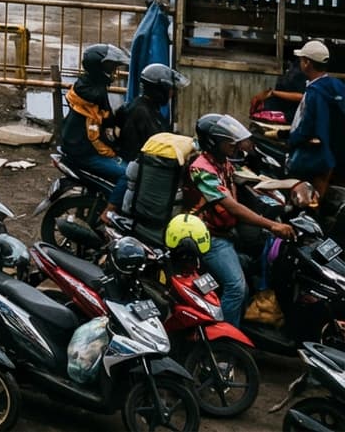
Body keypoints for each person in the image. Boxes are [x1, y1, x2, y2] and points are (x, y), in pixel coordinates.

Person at [185, 113, 292, 326]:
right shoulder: (201, 169)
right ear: (214, 142)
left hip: (226, 232)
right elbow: (231, 206)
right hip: (209, 237)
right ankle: (224, 342)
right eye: (229, 142)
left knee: (252, 269)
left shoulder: (224, 162)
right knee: (237, 288)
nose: (235, 145)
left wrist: (293, 185)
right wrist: (272, 225)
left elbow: (253, 180)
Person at [59, 42, 128, 204]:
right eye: (111, 67)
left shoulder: (91, 86)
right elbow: (94, 136)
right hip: (83, 153)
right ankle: (110, 213)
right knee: (127, 174)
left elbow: (107, 117)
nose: (113, 72)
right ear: (99, 67)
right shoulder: (90, 95)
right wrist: (113, 152)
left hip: (81, 148)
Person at [283, 41, 345, 184]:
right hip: (336, 153)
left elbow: (306, 125)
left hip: (317, 156)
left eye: (301, 60)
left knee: (309, 199)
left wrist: (290, 140)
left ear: (307, 63)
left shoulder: (314, 92)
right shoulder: (337, 85)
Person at [111, 62, 183, 168]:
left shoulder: (150, 107)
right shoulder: (141, 111)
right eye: (170, 90)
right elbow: (146, 146)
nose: (172, 94)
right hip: (140, 168)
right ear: (159, 90)